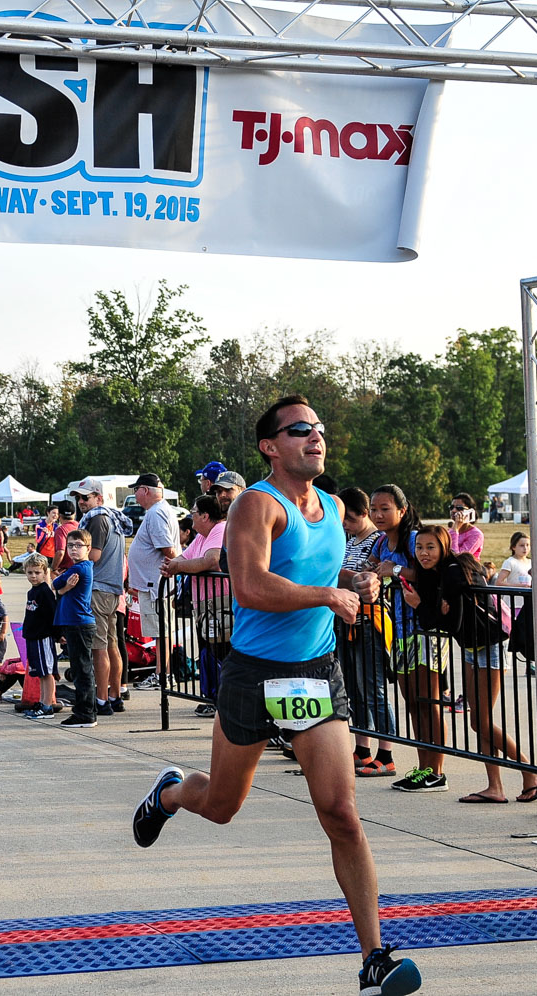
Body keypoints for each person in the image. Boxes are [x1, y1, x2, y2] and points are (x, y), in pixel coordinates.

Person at [131, 395, 422, 996]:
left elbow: (323, 575)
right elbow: (252, 585)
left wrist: (354, 582)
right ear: (270, 446)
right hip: (255, 673)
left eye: (319, 428)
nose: (315, 438)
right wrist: (327, 597)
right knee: (222, 805)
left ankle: (375, 957)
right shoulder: (255, 506)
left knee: (341, 813)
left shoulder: (335, 506)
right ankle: (172, 793)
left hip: (315, 671)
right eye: (299, 431)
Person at [407, 525, 536, 805]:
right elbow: (441, 619)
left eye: (430, 547)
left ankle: (531, 772)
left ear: (443, 546)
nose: (423, 553)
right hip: (470, 647)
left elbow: (445, 622)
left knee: (480, 722)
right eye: (419, 547)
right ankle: (495, 787)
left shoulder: (453, 571)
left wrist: (419, 606)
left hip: (487, 646)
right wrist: (432, 609)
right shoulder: (439, 573)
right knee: (481, 719)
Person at [367, 485, 446, 793]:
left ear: (401, 510)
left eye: (385, 508)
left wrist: (395, 568)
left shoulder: (415, 539)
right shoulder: (382, 542)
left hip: (424, 630)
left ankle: (437, 771)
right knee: (412, 702)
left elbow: (430, 572)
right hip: (399, 631)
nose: (378, 514)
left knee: (429, 701)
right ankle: (423, 768)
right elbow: (375, 567)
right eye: (374, 508)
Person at [337, 487, 396, 778]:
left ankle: (387, 752)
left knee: (374, 689)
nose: (345, 524)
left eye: (349, 518)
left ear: (362, 513)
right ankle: (363, 748)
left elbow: (368, 580)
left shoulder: (377, 541)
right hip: (348, 621)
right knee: (354, 688)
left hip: (370, 622)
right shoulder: (350, 541)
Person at [161, 494, 229, 717]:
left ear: (205, 515)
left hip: (221, 604)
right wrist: (174, 566)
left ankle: (223, 700)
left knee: (222, 652)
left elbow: (211, 560)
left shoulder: (220, 530)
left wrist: (178, 568)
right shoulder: (202, 536)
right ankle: (213, 697)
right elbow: (183, 558)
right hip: (205, 606)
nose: (191, 516)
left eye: (193, 512)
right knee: (209, 652)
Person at [74, 477, 134, 713]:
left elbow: (95, 556)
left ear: (99, 497)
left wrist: (76, 559)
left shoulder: (98, 519)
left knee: (99, 647)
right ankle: (115, 695)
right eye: (78, 498)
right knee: (111, 644)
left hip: (98, 588)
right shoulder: (113, 518)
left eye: (85, 497)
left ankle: (101, 700)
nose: (81, 502)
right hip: (111, 589)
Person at [127, 474, 179, 689]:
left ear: (145, 490)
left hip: (156, 585)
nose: (135, 495)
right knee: (159, 632)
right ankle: (162, 673)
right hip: (152, 584)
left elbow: (169, 550)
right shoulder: (158, 511)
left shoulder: (156, 513)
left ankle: (163, 675)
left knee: (161, 632)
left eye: (136, 490)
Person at [51, 529, 97, 727]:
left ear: (88, 548)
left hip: (80, 624)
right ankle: (85, 710)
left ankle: (85, 713)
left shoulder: (80, 568)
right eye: (70, 546)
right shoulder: (76, 567)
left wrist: (62, 587)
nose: (73, 550)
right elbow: (60, 588)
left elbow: (55, 583)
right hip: (73, 623)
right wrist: (64, 589)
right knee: (79, 669)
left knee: (82, 670)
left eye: (78, 546)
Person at [20, 554, 60, 720]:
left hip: (43, 637)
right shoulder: (32, 592)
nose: (34, 576)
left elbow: (53, 614)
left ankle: (48, 704)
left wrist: (58, 634)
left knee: (47, 672)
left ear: (45, 573)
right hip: (33, 637)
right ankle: (42, 701)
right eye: (30, 573)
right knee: (40, 673)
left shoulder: (45, 592)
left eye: (37, 572)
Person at [447, 493, 484, 560]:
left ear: (470, 511)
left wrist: (455, 529)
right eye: (451, 507)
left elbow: (457, 557)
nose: (453, 511)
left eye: (459, 508)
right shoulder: (449, 531)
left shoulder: (476, 534)